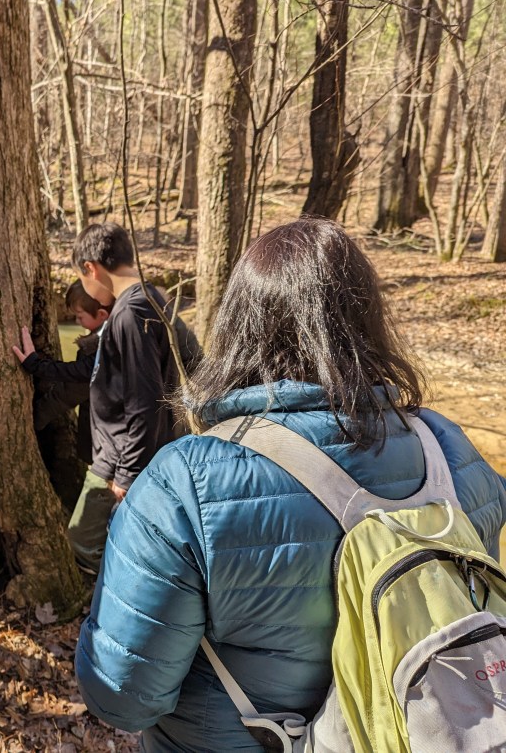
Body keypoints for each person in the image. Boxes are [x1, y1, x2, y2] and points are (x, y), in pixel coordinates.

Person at [74, 218, 506, 751]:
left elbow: (123, 694)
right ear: (367, 320)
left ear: (239, 324)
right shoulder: (454, 453)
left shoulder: (185, 482)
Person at [67, 222, 199, 573]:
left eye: (84, 281)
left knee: (83, 540)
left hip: (120, 455)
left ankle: (110, 597)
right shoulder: (153, 296)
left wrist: (126, 472)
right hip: (136, 449)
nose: (88, 291)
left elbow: (144, 399)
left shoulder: (129, 313)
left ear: (91, 268)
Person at [13, 280, 113, 464]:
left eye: (80, 316)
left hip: (108, 444)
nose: (77, 321)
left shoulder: (97, 353)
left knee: (115, 483)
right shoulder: (121, 340)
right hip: (120, 439)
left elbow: (67, 393)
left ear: (101, 315)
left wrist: (31, 422)